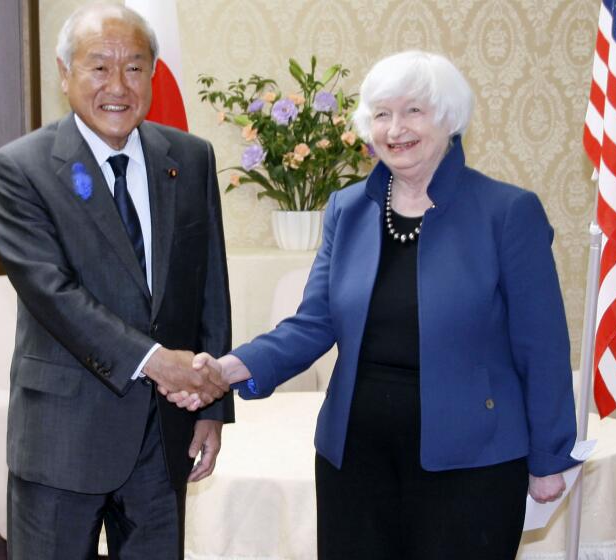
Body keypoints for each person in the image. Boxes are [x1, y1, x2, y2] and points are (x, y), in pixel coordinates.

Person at [179, 50, 580, 559]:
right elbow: (314, 321)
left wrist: (548, 458)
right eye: (382, 114)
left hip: (473, 463)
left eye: (414, 111)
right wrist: (231, 366)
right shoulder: (348, 208)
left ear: (449, 118)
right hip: (355, 458)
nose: (396, 129)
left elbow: (541, 347)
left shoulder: (507, 212)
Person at [0, 4, 232, 558]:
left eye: (135, 67)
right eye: (99, 67)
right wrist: (154, 360)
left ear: (153, 73)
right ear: (65, 72)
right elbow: (53, 295)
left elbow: (209, 287)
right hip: (62, 439)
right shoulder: (19, 169)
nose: (119, 86)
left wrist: (212, 405)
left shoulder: (190, 159)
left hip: (165, 433)